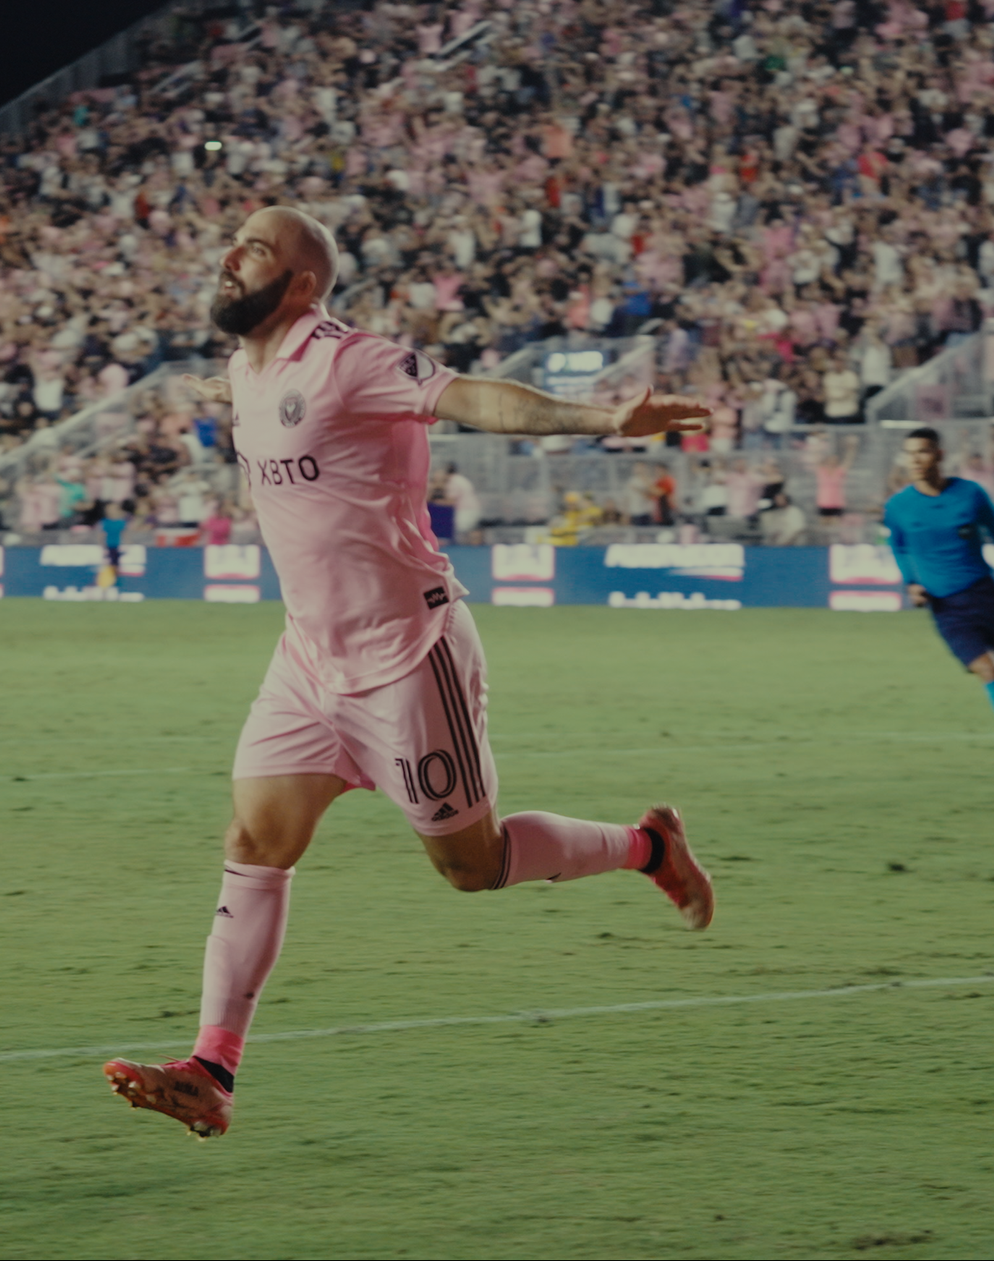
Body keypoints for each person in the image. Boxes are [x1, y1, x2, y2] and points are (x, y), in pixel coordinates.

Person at [102, 207, 716, 1139]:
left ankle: (649, 848)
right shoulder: (245, 366)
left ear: (303, 283)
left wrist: (602, 420)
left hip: (406, 660)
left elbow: (478, 399)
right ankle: (211, 1069)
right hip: (308, 660)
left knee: (473, 868)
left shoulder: (350, 358)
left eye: (255, 249)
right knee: (256, 840)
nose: (230, 256)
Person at [880, 427, 994, 775]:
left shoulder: (970, 494)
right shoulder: (899, 506)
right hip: (945, 605)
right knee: (989, 670)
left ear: (939, 455)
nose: (915, 460)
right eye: (909, 453)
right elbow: (898, 546)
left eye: (923, 452)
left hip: (982, 592)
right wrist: (911, 583)